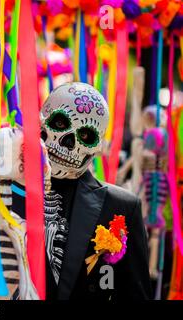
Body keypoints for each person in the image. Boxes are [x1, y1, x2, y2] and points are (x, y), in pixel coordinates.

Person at [39, 82, 151, 300]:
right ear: (41, 122)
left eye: (86, 136)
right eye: (60, 123)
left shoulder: (121, 206)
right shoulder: (0, 189)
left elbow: (135, 294)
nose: (69, 142)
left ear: (98, 146)